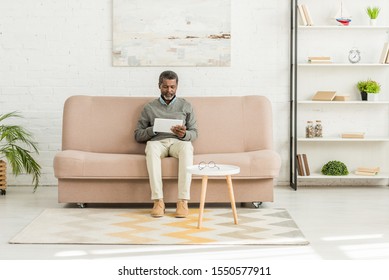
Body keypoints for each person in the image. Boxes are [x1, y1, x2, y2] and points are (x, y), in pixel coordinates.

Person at [134, 70, 198, 218]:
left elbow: (194, 133)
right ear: (159, 86)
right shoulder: (149, 107)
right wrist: (153, 129)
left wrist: (184, 134)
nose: (169, 90)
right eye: (165, 87)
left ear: (177, 87)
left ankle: (183, 201)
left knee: (188, 147)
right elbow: (138, 135)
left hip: (178, 142)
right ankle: (158, 201)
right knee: (150, 147)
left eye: (172, 87)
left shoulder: (186, 105)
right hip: (158, 142)